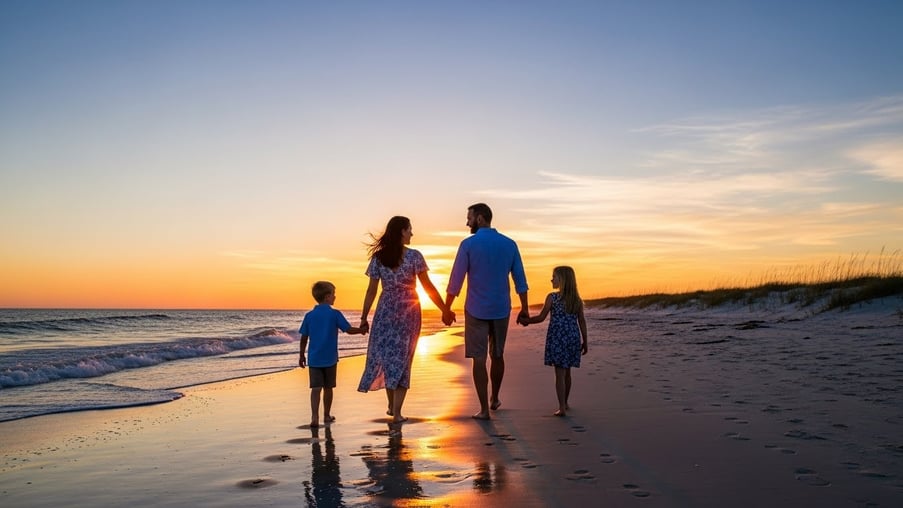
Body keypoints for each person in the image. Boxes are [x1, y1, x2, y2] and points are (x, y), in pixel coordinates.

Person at [357, 216, 452, 423]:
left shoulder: (379, 258)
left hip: (385, 311)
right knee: (403, 359)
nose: (412, 233)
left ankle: (392, 406)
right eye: (410, 229)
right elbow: (428, 287)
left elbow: (371, 291)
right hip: (408, 312)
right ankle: (397, 412)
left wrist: (364, 317)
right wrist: (444, 308)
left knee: (387, 357)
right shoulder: (415, 256)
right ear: (401, 231)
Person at [443, 203, 529, 420]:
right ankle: (495, 398)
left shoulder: (468, 245)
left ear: (480, 218)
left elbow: (456, 279)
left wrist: (447, 307)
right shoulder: (509, 244)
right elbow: (520, 278)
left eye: (469, 218)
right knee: (498, 355)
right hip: (501, 309)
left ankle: (483, 409)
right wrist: (525, 308)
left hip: (475, 309)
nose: (467, 222)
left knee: (479, 359)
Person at [521, 266, 588, 416]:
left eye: (554, 277)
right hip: (572, 337)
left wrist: (527, 321)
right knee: (567, 372)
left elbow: (541, 317)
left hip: (557, 338)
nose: (552, 279)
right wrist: (585, 341)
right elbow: (581, 321)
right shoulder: (576, 300)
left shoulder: (552, 297)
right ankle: (565, 402)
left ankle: (562, 407)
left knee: (559, 374)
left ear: (562, 280)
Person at [299, 281, 367, 427]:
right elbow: (348, 329)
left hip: (314, 358)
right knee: (328, 388)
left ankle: (314, 417)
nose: (335, 297)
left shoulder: (309, 316)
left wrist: (301, 355)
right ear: (327, 297)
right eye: (334, 294)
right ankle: (327, 415)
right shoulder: (334, 314)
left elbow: (304, 337)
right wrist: (361, 330)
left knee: (315, 388)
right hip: (330, 358)